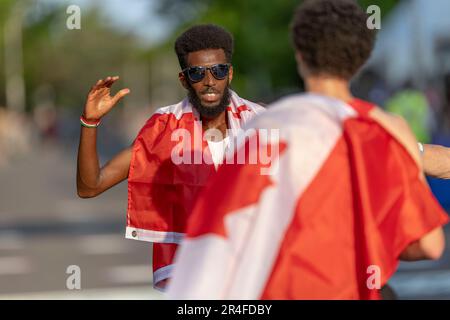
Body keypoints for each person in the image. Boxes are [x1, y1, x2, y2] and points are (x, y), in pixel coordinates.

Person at [167, 0, 449, 299]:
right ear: (363, 57)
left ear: (300, 56)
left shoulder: (260, 128)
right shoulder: (379, 130)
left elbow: (221, 230)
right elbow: (428, 244)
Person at [76, 24, 264, 290]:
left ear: (229, 73)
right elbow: (90, 186)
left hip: (254, 272)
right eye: (197, 73)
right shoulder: (164, 128)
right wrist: (90, 122)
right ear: (184, 80)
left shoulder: (263, 122)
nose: (210, 81)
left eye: (218, 71)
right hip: (193, 277)